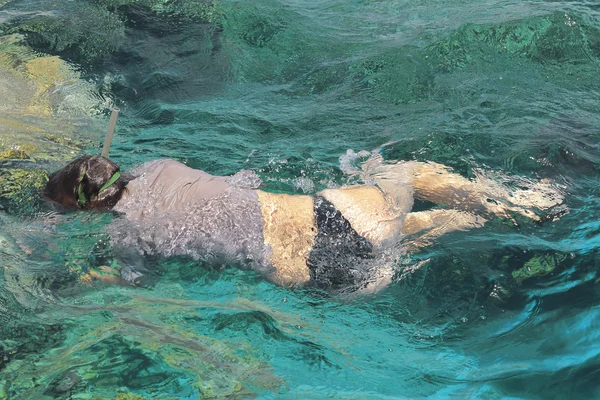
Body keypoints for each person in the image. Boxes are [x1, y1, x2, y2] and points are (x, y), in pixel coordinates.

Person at [43, 154, 564, 293]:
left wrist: (92, 280)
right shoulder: (158, 167)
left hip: (324, 279)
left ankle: (472, 217)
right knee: (404, 172)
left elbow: (137, 279)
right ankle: (516, 203)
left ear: (86, 208)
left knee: (407, 238)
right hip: (338, 215)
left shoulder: (129, 237)